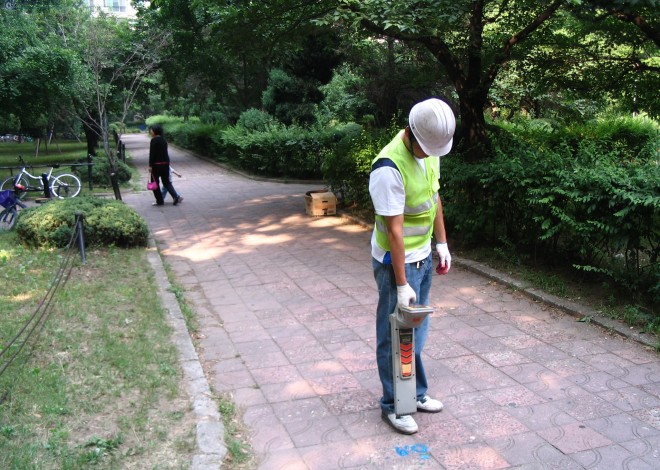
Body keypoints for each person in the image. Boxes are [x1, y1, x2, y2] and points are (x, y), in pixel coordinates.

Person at [369, 98, 456, 435]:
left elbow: (434, 198)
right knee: (395, 335)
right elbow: (394, 230)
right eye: (427, 148)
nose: (431, 154)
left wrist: (441, 243)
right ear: (412, 133)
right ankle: (395, 405)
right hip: (396, 264)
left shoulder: (431, 149)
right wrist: (402, 283)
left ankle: (415, 393)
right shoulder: (388, 168)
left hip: (422, 257)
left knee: (416, 333)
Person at [148, 124, 183, 206]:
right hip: (165, 164)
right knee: (166, 182)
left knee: (154, 183)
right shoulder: (164, 140)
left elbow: (152, 154)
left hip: (156, 165)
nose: (150, 131)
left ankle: (160, 201)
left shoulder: (154, 140)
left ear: (155, 131)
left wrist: (150, 165)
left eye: (151, 130)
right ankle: (175, 196)